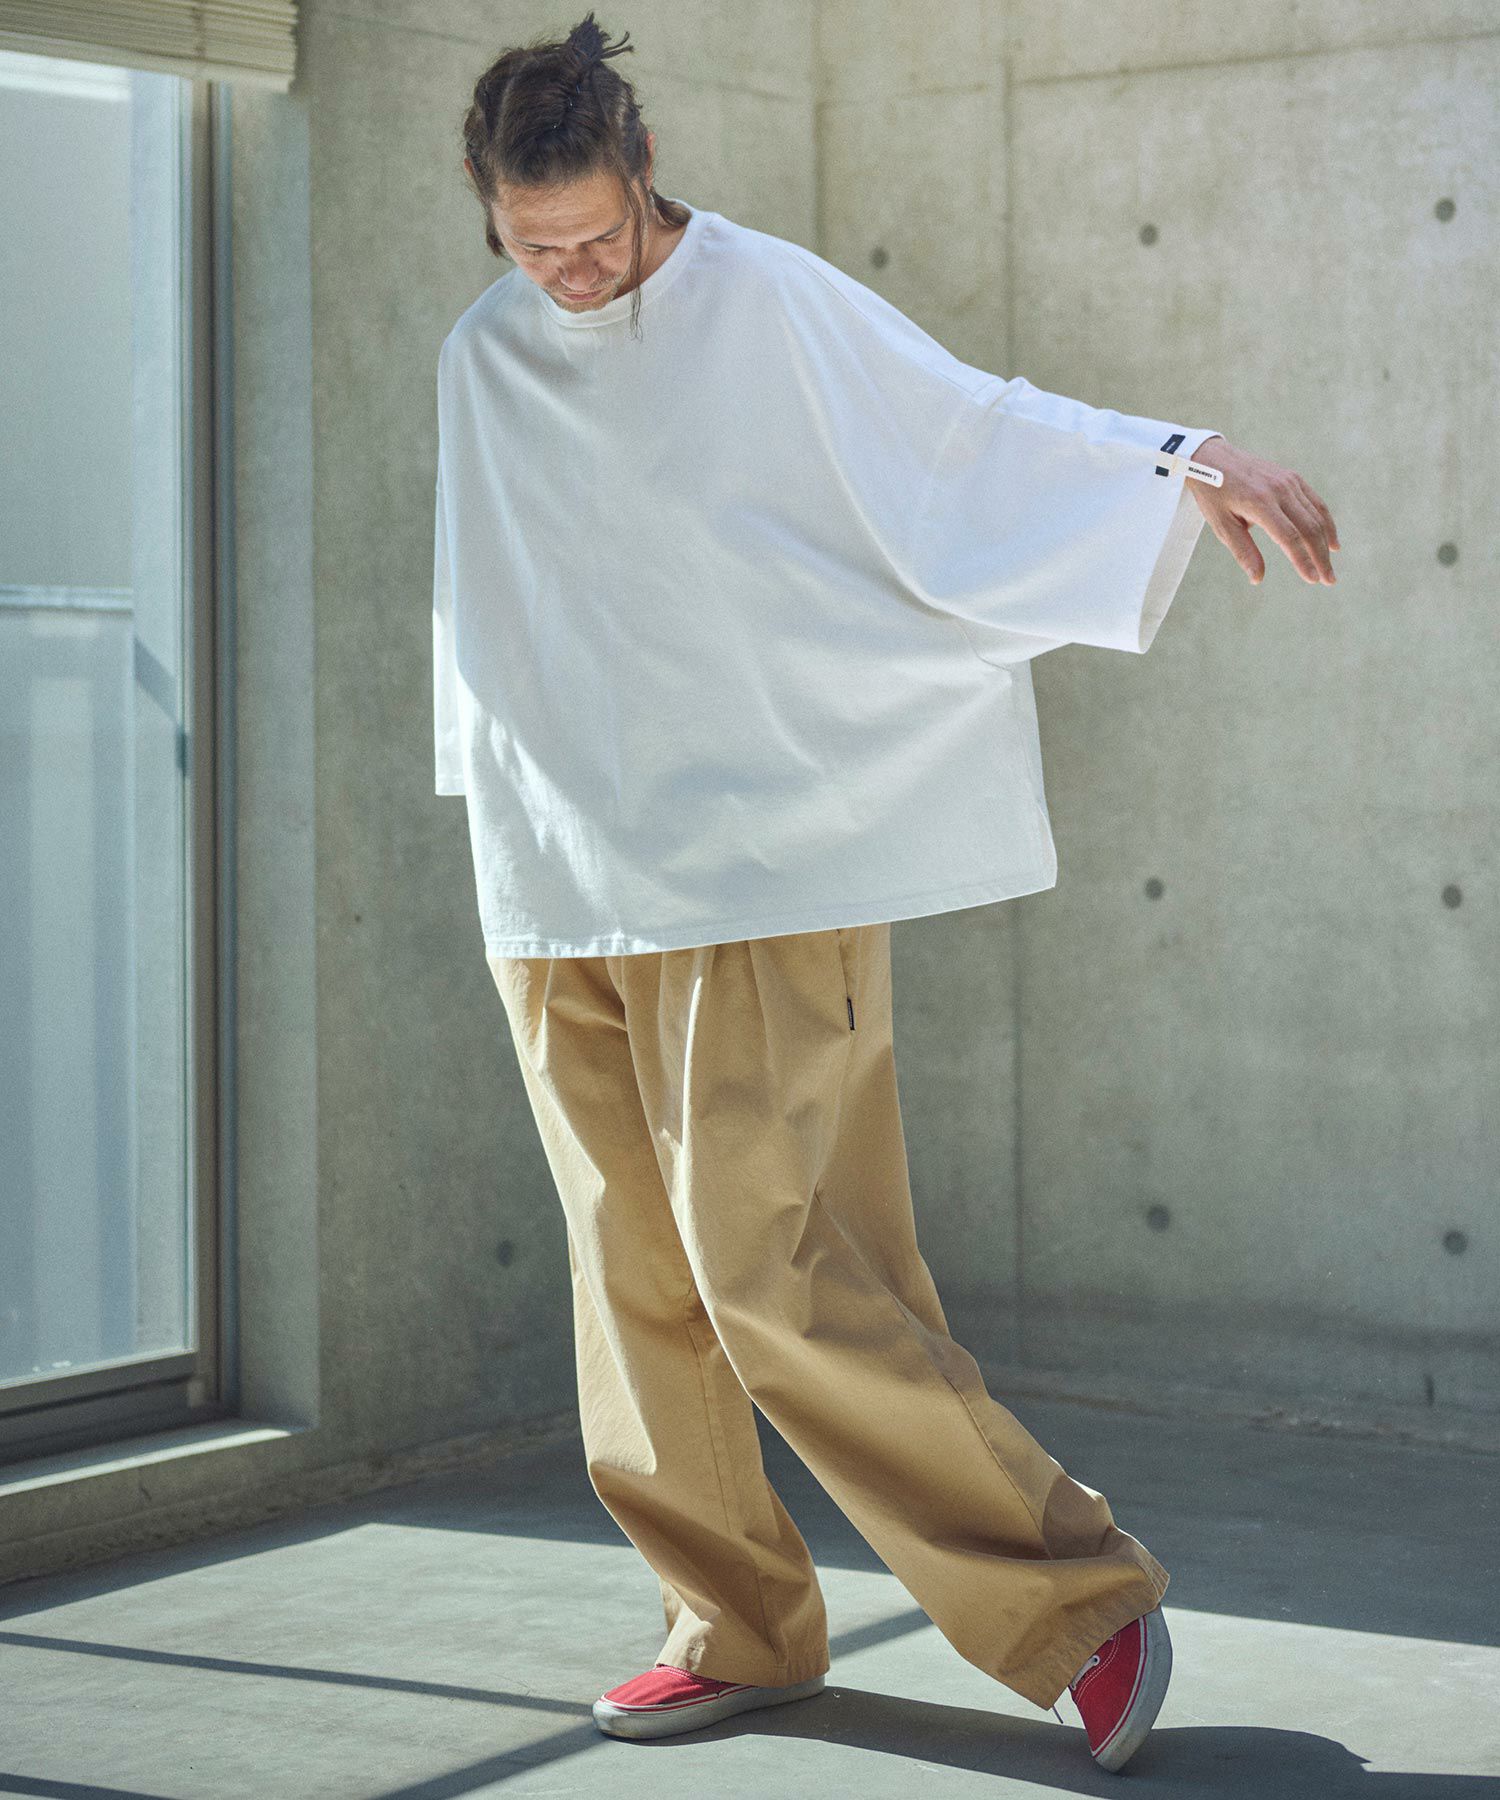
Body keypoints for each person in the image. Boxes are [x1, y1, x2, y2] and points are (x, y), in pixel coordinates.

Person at [436, 11, 1339, 1777]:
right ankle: (732, 1625)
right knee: (633, 1280)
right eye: (534, 247)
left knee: (778, 1267)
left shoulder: (768, 300)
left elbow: (965, 433)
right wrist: (503, 832)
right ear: (490, 214)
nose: (572, 274)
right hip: (559, 867)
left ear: (644, 172)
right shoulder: (485, 350)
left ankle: (1076, 1602)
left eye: (597, 237)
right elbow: (492, 607)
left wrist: (1178, 458)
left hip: (761, 863)